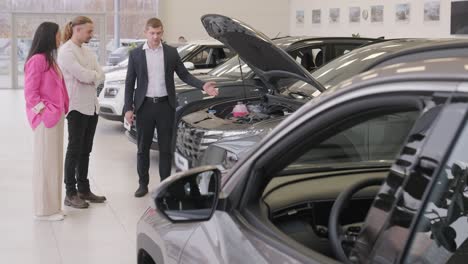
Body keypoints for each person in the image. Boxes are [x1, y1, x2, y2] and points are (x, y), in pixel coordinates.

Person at [124, 18, 218, 197]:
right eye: (152, 33)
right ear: (146, 32)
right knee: (142, 148)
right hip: (144, 107)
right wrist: (128, 108)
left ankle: (165, 185)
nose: (155, 36)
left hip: (165, 106)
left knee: (166, 148)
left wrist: (203, 85)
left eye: (159, 33)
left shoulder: (170, 53)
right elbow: (130, 83)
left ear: (162, 32)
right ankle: (143, 184)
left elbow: (184, 75)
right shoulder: (136, 54)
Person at [57, 16, 106, 208]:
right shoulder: (66, 51)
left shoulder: (87, 51)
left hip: (92, 106)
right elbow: (85, 75)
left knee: (86, 150)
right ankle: (70, 193)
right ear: (77, 30)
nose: (91, 35)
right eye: (89, 31)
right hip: (76, 107)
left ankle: (84, 189)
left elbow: (100, 74)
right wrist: (92, 75)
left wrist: (92, 75)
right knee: (74, 150)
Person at [24, 22, 69, 221]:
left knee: (54, 163)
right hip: (46, 120)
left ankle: (53, 207)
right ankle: (43, 210)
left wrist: (59, 110)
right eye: (58, 35)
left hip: (56, 117)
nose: (60, 38)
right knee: (45, 164)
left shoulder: (50, 59)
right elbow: (30, 94)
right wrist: (45, 112)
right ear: (49, 36)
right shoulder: (37, 60)